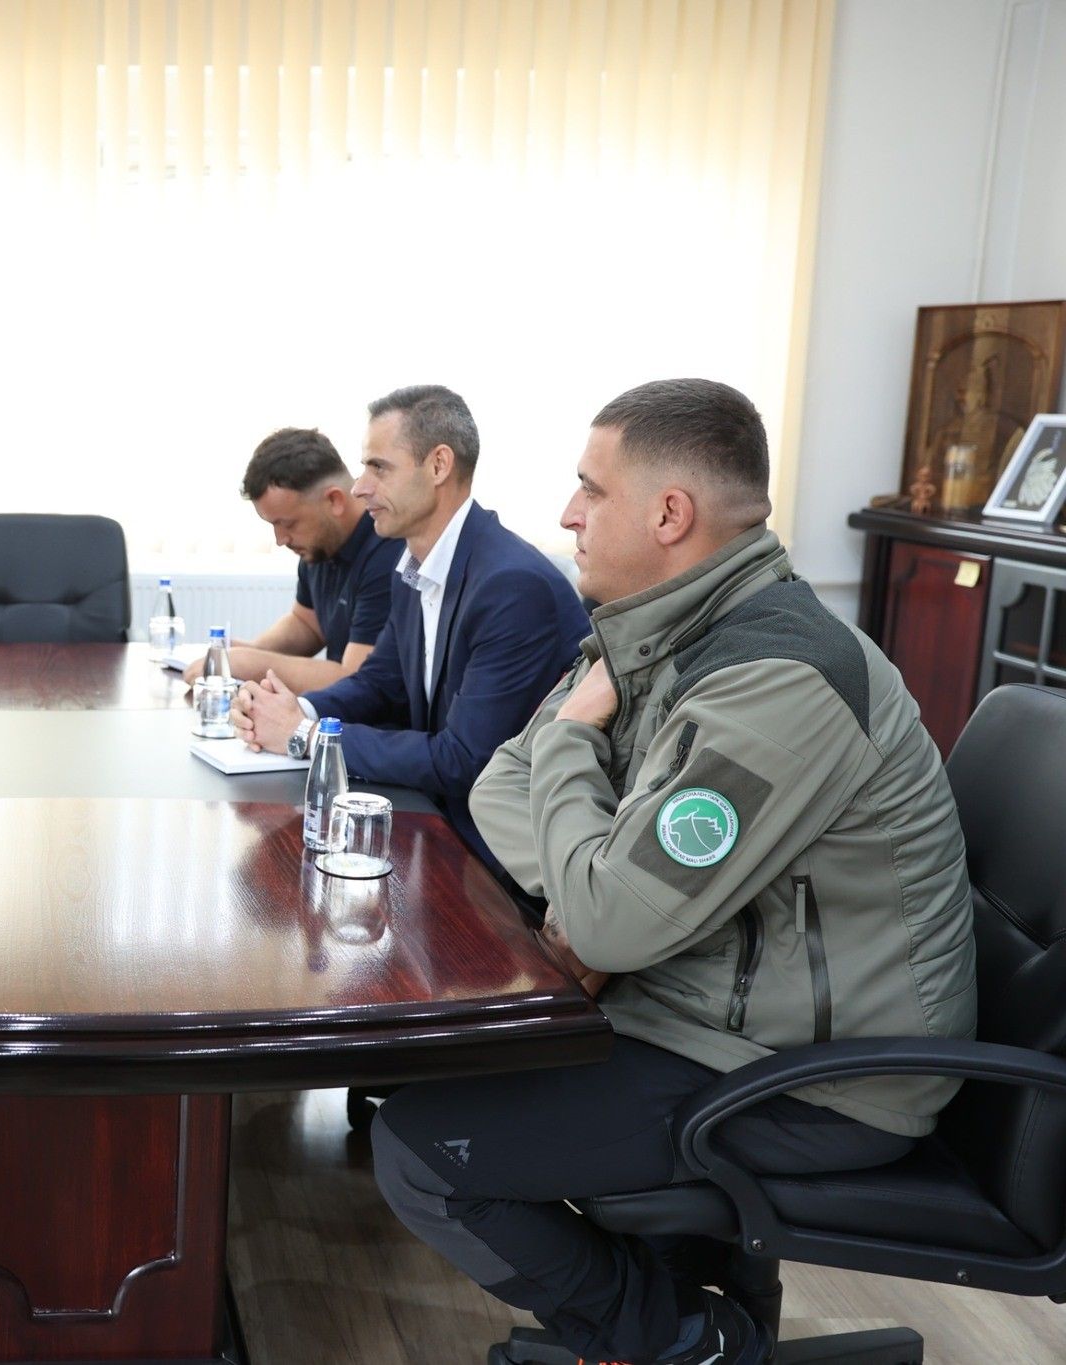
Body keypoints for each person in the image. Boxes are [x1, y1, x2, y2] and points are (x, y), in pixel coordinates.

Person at [369, 380, 978, 1365]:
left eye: (589, 488)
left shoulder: (777, 680)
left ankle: (686, 1338)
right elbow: (498, 785)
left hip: (814, 1080)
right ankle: (679, 1306)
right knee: (441, 1066)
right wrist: (598, 875)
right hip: (698, 1011)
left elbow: (606, 917)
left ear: (668, 514)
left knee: (419, 1153)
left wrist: (581, 782)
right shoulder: (652, 630)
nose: (568, 513)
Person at [233, 386, 586, 865]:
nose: (360, 487)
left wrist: (307, 736)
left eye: (378, 468)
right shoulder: (414, 569)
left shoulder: (511, 585)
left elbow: (465, 760)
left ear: (438, 466)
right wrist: (295, 711)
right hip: (433, 822)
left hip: (496, 860)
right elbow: (380, 684)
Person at [182, 426, 399, 689]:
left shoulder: (387, 550)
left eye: (288, 523)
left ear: (334, 500)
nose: (280, 539)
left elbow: (357, 680)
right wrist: (249, 650)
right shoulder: (320, 543)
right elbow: (307, 624)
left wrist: (251, 664)